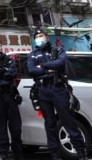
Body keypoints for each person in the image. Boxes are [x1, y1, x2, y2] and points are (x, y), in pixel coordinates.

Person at [27, 28, 88, 160]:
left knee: (69, 121)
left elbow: (60, 63)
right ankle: (55, 155)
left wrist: (42, 67)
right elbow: (31, 70)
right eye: (37, 36)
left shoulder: (58, 50)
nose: (39, 38)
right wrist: (50, 69)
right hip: (42, 90)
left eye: (41, 35)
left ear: (47, 37)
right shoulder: (32, 54)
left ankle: (81, 153)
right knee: (49, 124)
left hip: (58, 88)